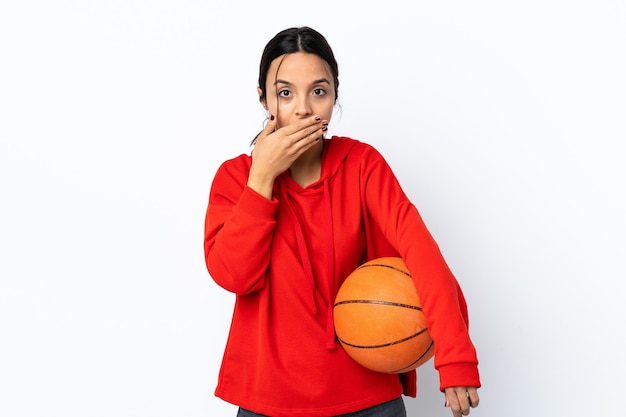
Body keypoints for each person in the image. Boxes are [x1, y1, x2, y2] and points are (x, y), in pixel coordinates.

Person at [204, 26, 481, 417]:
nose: (303, 108)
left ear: (335, 95)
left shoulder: (362, 165)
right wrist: (262, 179)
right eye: (285, 93)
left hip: (369, 401)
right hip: (267, 402)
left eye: (319, 91)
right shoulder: (235, 179)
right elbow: (234, 276)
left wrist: (455, 356)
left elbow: (421, 254)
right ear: (264, 99)